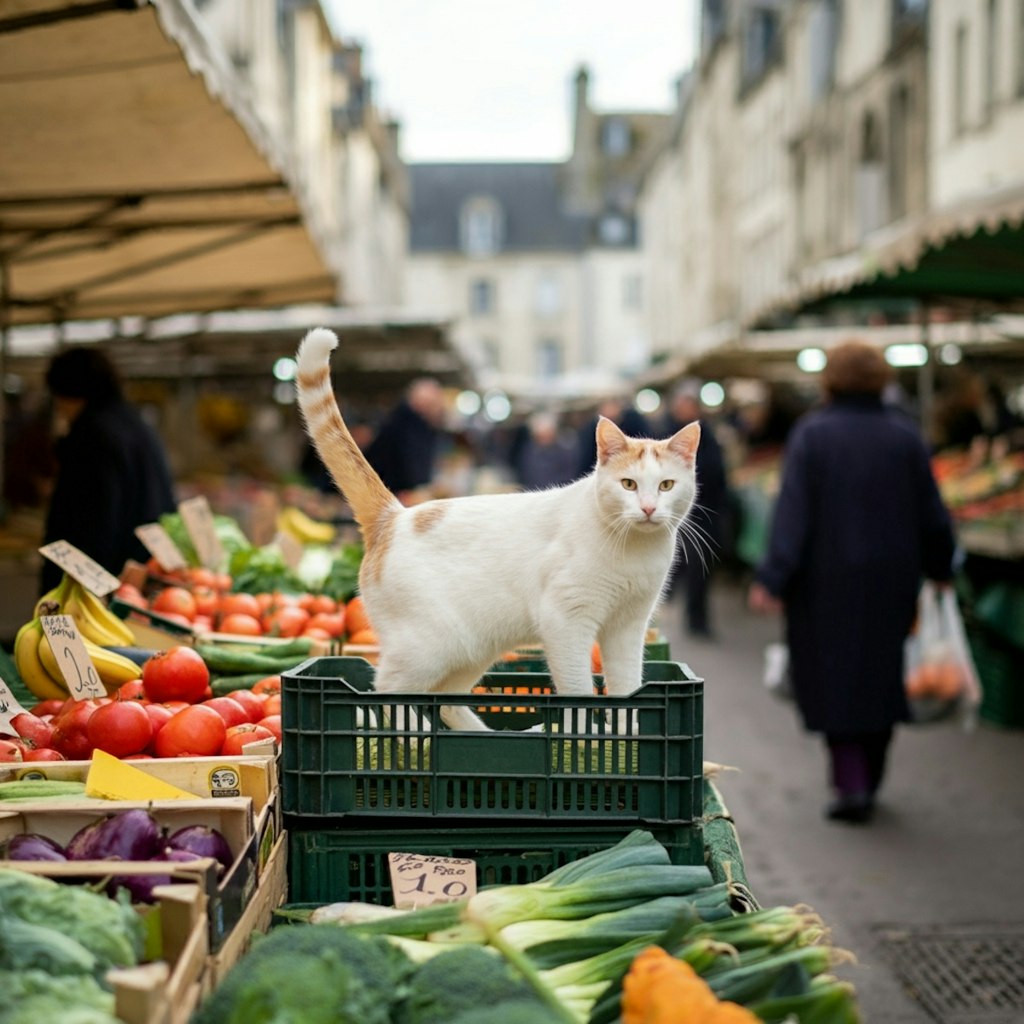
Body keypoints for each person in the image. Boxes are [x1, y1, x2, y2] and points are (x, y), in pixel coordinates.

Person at [747, 340, 956, 824]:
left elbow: (791, 514)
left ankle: (851, 781)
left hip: (825, 582)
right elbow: (933, 515)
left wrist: (774, 576)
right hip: (892, 577)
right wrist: (941, 568)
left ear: (831, 381)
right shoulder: (904, 436)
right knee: (881, 674)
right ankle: (871, 774)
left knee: (833, 676)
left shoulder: (812, 435)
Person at [40, 346, 177, 593]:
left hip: (103, 580)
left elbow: (93, 520)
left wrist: (63, 589)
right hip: (140, 577)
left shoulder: (92, 434)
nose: (59, 409)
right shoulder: (137, 424)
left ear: (69, 392)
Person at [662, 382, 729, 638]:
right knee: (681, 565)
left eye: (689, 404)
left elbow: (717, 473)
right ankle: (680, 611)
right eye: (682, 404)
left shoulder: (707, 435)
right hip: (678, 515)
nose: (685, 409)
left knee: (701, 569)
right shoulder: (666, 436)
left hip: (707, 512)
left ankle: (697, 618)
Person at [364, 377, 446, 500]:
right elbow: (409, 464)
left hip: (390, 492)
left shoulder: (401, 420)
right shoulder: (406, 426)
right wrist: (419, 487)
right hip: (394, 494)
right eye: (434, 404)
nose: (438, 408)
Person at [575, 394, 651, 478]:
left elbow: (647, 441)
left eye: (611, 407)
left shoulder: (634, 420)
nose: (609, 412)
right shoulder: (591, 429)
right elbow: (586, 460)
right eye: (606, 408)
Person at [515, 411, 578, 491]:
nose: (543, 439)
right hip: (533, 493)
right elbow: (525, 474)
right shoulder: (528, 452)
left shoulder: (564, 453)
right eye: (540, 436)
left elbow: (568, 477)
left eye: (546, 434)